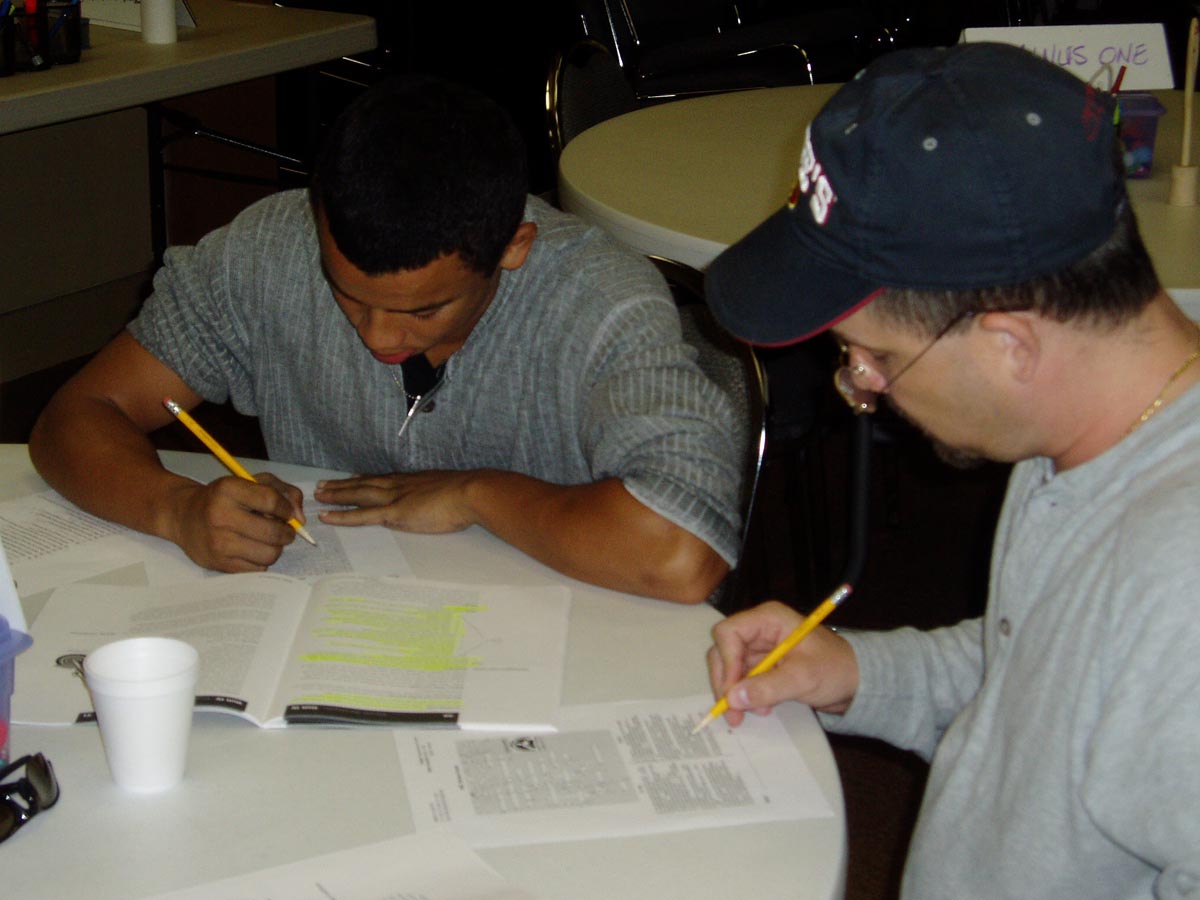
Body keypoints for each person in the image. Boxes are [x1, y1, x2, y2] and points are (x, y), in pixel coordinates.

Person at [701, 42, 1200, 898]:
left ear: (1010, 344)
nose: (862, 386)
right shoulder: (1080, 439)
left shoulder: (1180, 585)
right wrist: (862, 674)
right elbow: (1045, 674)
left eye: (876, 357)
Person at [29, 75, 743, 604]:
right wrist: (175, 508)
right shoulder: (265, 253)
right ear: (316, 217)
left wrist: (475, 493)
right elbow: (78, 416)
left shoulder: (601, 301)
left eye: (424, 310)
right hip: (336, 628)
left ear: (514, 247)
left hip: (562, 640)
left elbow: (682, 553)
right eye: (346, 293)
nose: (377, 336)